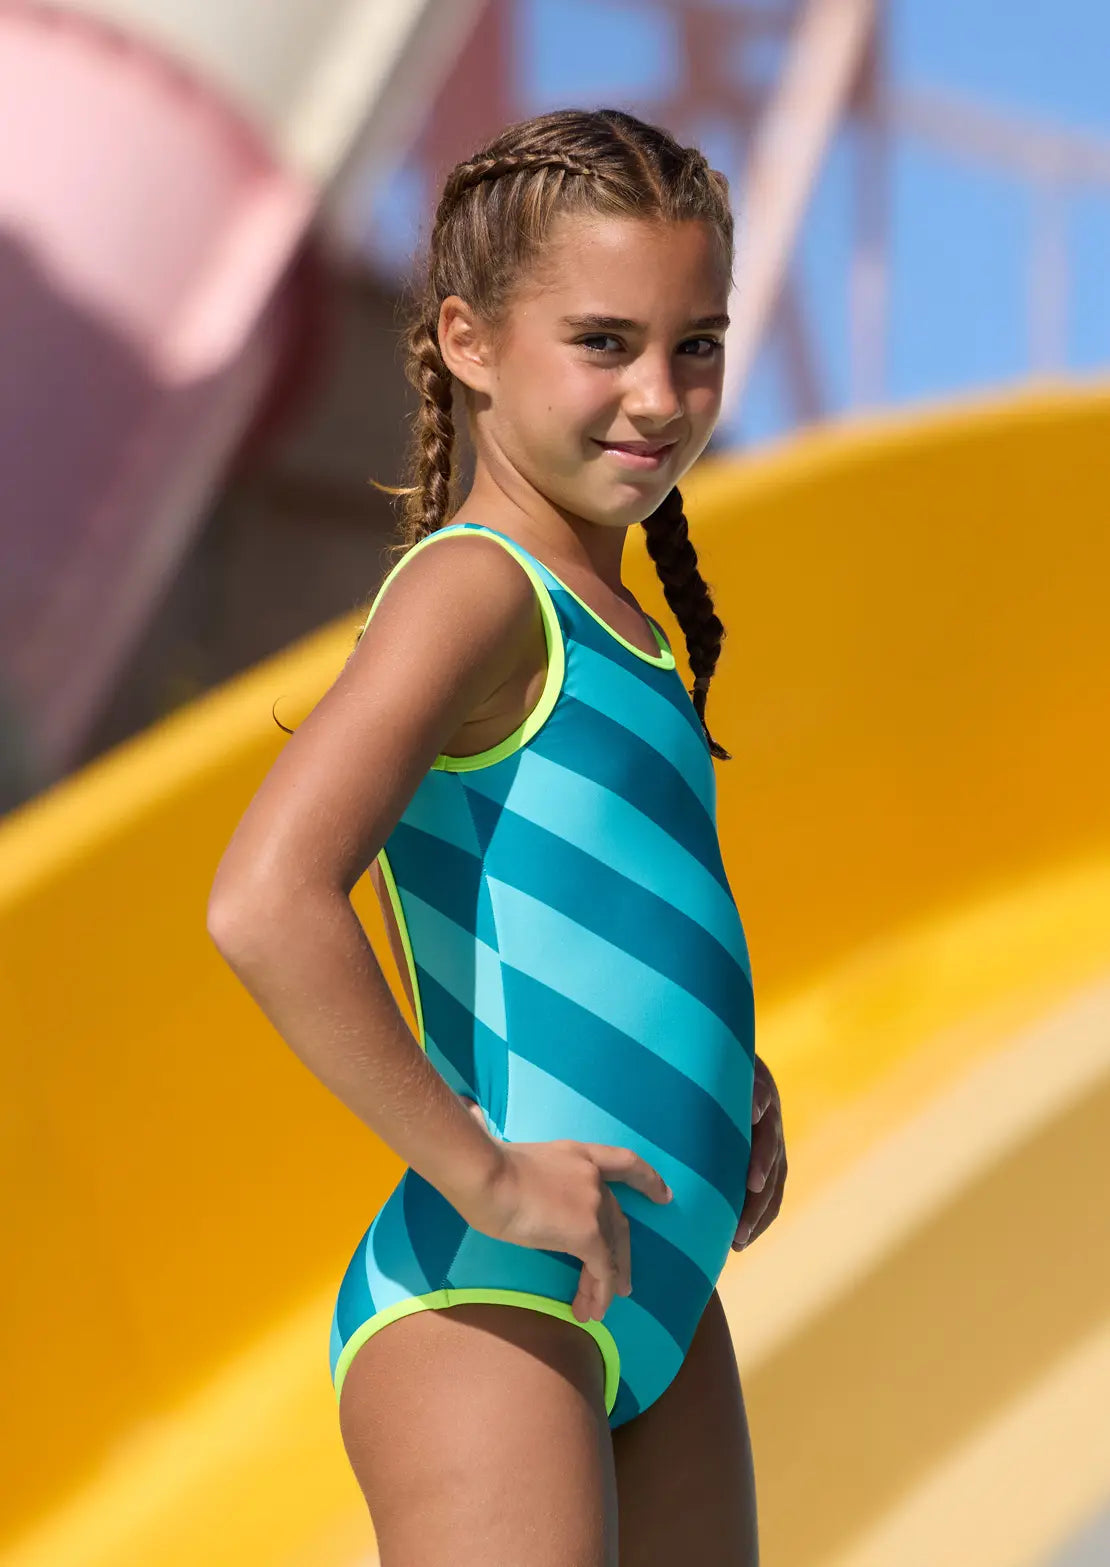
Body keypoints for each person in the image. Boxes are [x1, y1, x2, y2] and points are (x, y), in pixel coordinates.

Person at [208, 106, 786, 1567]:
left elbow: (596, 904)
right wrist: (487, 1175)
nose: (657, 394)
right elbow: (264, 901)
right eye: (602, 342)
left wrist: (726, 1081)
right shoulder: (473, 589)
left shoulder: (635, 636)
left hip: (653, 1290)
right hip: (492, 1296)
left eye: (694, 343)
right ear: (467, 342)